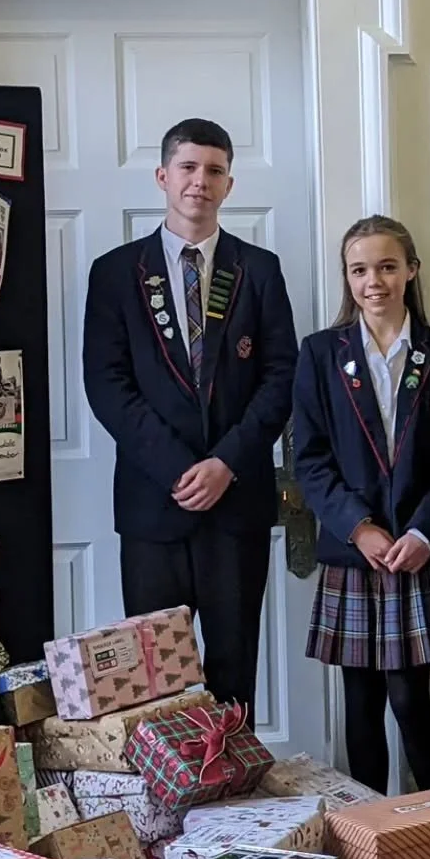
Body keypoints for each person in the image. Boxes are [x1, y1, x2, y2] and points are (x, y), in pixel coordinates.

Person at [83, 117, 297, 707]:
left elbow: (282, 378)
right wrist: (180, 467)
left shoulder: (259, 270)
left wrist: (226, 462)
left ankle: (238, 794)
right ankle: (169, 798)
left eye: (214, 170)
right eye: (188, 167)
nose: (200, 181)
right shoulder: (115, 273)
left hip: (237, 503)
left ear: (229, 185)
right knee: (156, 680)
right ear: (162, 176)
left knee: (233, 674)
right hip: (155, 505)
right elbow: (106, 385)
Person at [293, 215, 430, 793]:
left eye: (388, 266)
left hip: (418, 552)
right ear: (347, 278)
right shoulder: (321, 354)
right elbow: (311, 458)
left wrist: (425, 533)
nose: (374, 280)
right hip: (357, 554)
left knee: (408, 697)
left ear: (411, 271)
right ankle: (368, 829)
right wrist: (358, 527)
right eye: (360, 269)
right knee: (361, 702)